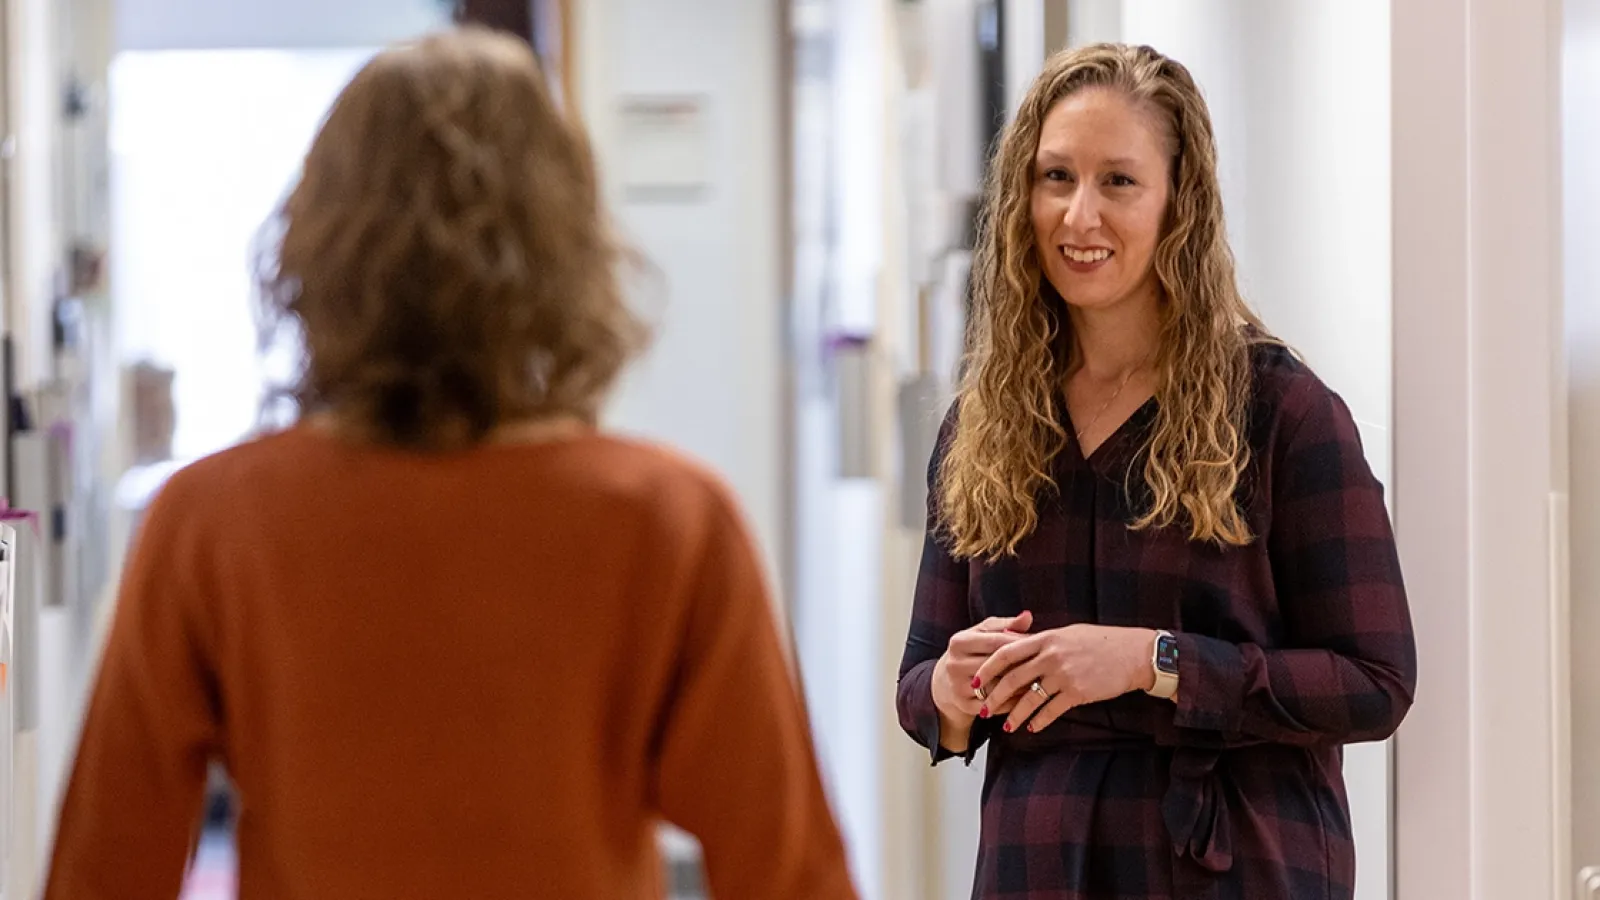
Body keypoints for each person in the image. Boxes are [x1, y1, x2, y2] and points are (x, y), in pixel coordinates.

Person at [45, 27, 857, 900]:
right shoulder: (669, 516)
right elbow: (787, 870)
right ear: (568, 246)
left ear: (318, 242)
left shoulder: (211, 519)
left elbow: (105, 868)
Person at [894, 43, 1416, 900]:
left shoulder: (1284, 414)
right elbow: (921, 680)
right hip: (1037, 866)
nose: (1078, 216)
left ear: (1181, 202)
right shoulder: (980, 426)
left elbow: (1376, 684)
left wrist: (1157, 660)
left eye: (1119, 182)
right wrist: (951, 691)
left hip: (1231, 865)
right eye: (1055, 177)